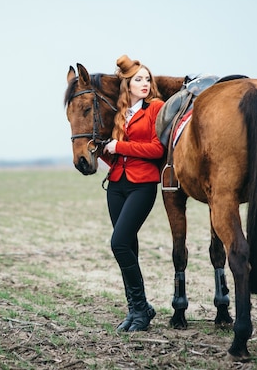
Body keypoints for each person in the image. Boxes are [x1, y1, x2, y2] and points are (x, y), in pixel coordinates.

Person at [102, 55, 165, 332]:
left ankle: (140, 309)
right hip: (116, 184)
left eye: (147, 79)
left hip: (143, 185)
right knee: (129, 248)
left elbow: (157, 150)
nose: (145, 84)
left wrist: (121, 148)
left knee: (118, 243)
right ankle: (137, 310)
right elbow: (115, 153)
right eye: (138, 79)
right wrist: (105, 151)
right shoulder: (120, 113)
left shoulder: (156, 109)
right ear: (126, 84)